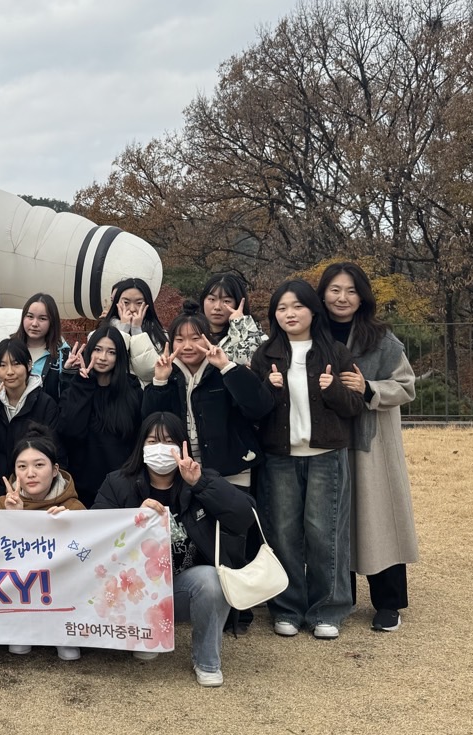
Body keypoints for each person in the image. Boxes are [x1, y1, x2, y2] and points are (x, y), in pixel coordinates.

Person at [92, 412, 255, 687]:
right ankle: (146, 631)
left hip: (182, 587)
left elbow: (243, 517)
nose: (160, 448)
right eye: (152, 441)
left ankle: (207, 661)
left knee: (211, 580)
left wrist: (200, 484)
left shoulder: (201, 480)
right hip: (134, 589)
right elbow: (96, 534)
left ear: (182, 446)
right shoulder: (118, 483)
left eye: (168, 441)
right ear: (141, 446)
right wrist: (133, 518)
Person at [250, 279, 365, 639]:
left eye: (297, 306)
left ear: (313, 311)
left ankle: (328, 610)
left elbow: (355, 406)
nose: (290, 314)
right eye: (282, 308)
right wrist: (267, 389)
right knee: (283, 533)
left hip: (326, 455)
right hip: (280, 457)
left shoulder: (335, 352)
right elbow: (253, 411)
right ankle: (287, 608)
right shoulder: (265, 355)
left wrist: (333, 390)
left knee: (324, 533)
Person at [317, 262, 419, 632]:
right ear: (322, 294)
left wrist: (368, 388)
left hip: (371, 444)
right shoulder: (312, 335)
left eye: (351, 291)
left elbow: (406, 386)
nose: (342, 298)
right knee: (334, 521)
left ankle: (389, 603)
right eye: (335, 290)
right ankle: (338, 599)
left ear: (362, 297)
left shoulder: (381, 338)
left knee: (378, 518)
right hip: (325, 441)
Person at [142, 309, 273, 491]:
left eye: (195, 338)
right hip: (183, 471)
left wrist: (226, 367)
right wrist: (160, 382)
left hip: (232, 470)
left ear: (208, 339)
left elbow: (259, 407)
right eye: (179, 339)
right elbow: (150, 422)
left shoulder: (225, 371)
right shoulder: (168, 376)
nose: (187, 346)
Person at [0, 426, 83, 661]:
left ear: (55, 470)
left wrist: (69, 526)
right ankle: (21, 626)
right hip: (17, 595)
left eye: (39, 465)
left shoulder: (73, 507)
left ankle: (64, 632)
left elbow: (88, 557)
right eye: (22, 467)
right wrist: (14, 519)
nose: (30, 473)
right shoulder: (1, 505)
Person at [57, 324, 143, 507]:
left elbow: (137, 439)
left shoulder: (132, 391)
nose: (103, 357)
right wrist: (82, 384)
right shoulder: (77, 387)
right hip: (81, 490)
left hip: (122, 488)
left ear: (119, 356)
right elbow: (70, 431)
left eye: (111, 352)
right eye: (97, 349)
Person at [0, 339, 61, 505]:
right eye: (2, 365)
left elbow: (54, 453)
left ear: (29, 365)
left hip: (35, 493)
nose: (9, 372)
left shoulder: (45, 404)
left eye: (16, 364)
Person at [103, 278, 168, 383]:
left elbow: (149, 372)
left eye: (139, 303)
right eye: (126, 302)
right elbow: (107, 367)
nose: (132, 309)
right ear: (116, 303)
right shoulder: (100, 333)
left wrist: (137, 331)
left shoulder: (160, 336)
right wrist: (123, 331)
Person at [10, 293, 69, 401]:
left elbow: (68, 395)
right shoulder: (9, 348)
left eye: (42, 318)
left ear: (52, 322)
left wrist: (71, 372)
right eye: (30, 316)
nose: (34, 324)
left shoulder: (63, 354)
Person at [199, 272, 267, 366]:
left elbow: (247, 363)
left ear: (237, 303)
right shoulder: (191, 329)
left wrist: (239, 325)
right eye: (212, 299)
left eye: (226, 301)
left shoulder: (255, 335)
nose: (217, 307)